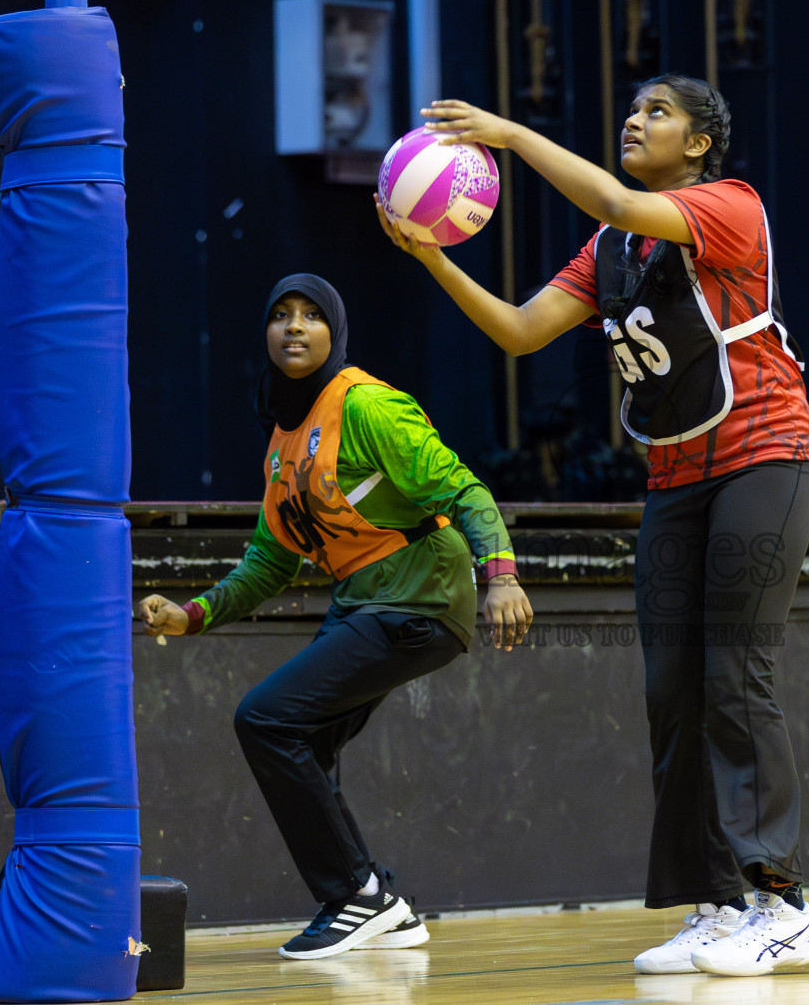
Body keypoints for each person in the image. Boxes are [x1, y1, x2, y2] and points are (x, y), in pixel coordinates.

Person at [377, 74, 809, 978]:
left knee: (738, 673)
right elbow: (518, 330)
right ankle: (717, 902)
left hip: (767, 458)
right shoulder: (611, 248)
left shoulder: (729, 207)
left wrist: (508, 133)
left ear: (699, 145)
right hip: (676, 477)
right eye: (631, 107)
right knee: (673, 692)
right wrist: (430, 255)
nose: (634, 118)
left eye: (658, 112)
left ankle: (783, 902)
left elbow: (617, 193)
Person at [135, 273, 533, 960]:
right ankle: (378, 907)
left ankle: (359, 897)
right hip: (367, 602)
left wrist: (501, 574)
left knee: (264, 718)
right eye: (281, 314)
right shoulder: (283, 445)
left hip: (419, 595)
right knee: (304, 741)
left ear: (334, 332)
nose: (294, 326)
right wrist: (190, 615)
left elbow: (463, 487)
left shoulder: (367, 404)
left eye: (312, 315)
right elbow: (270, 563)